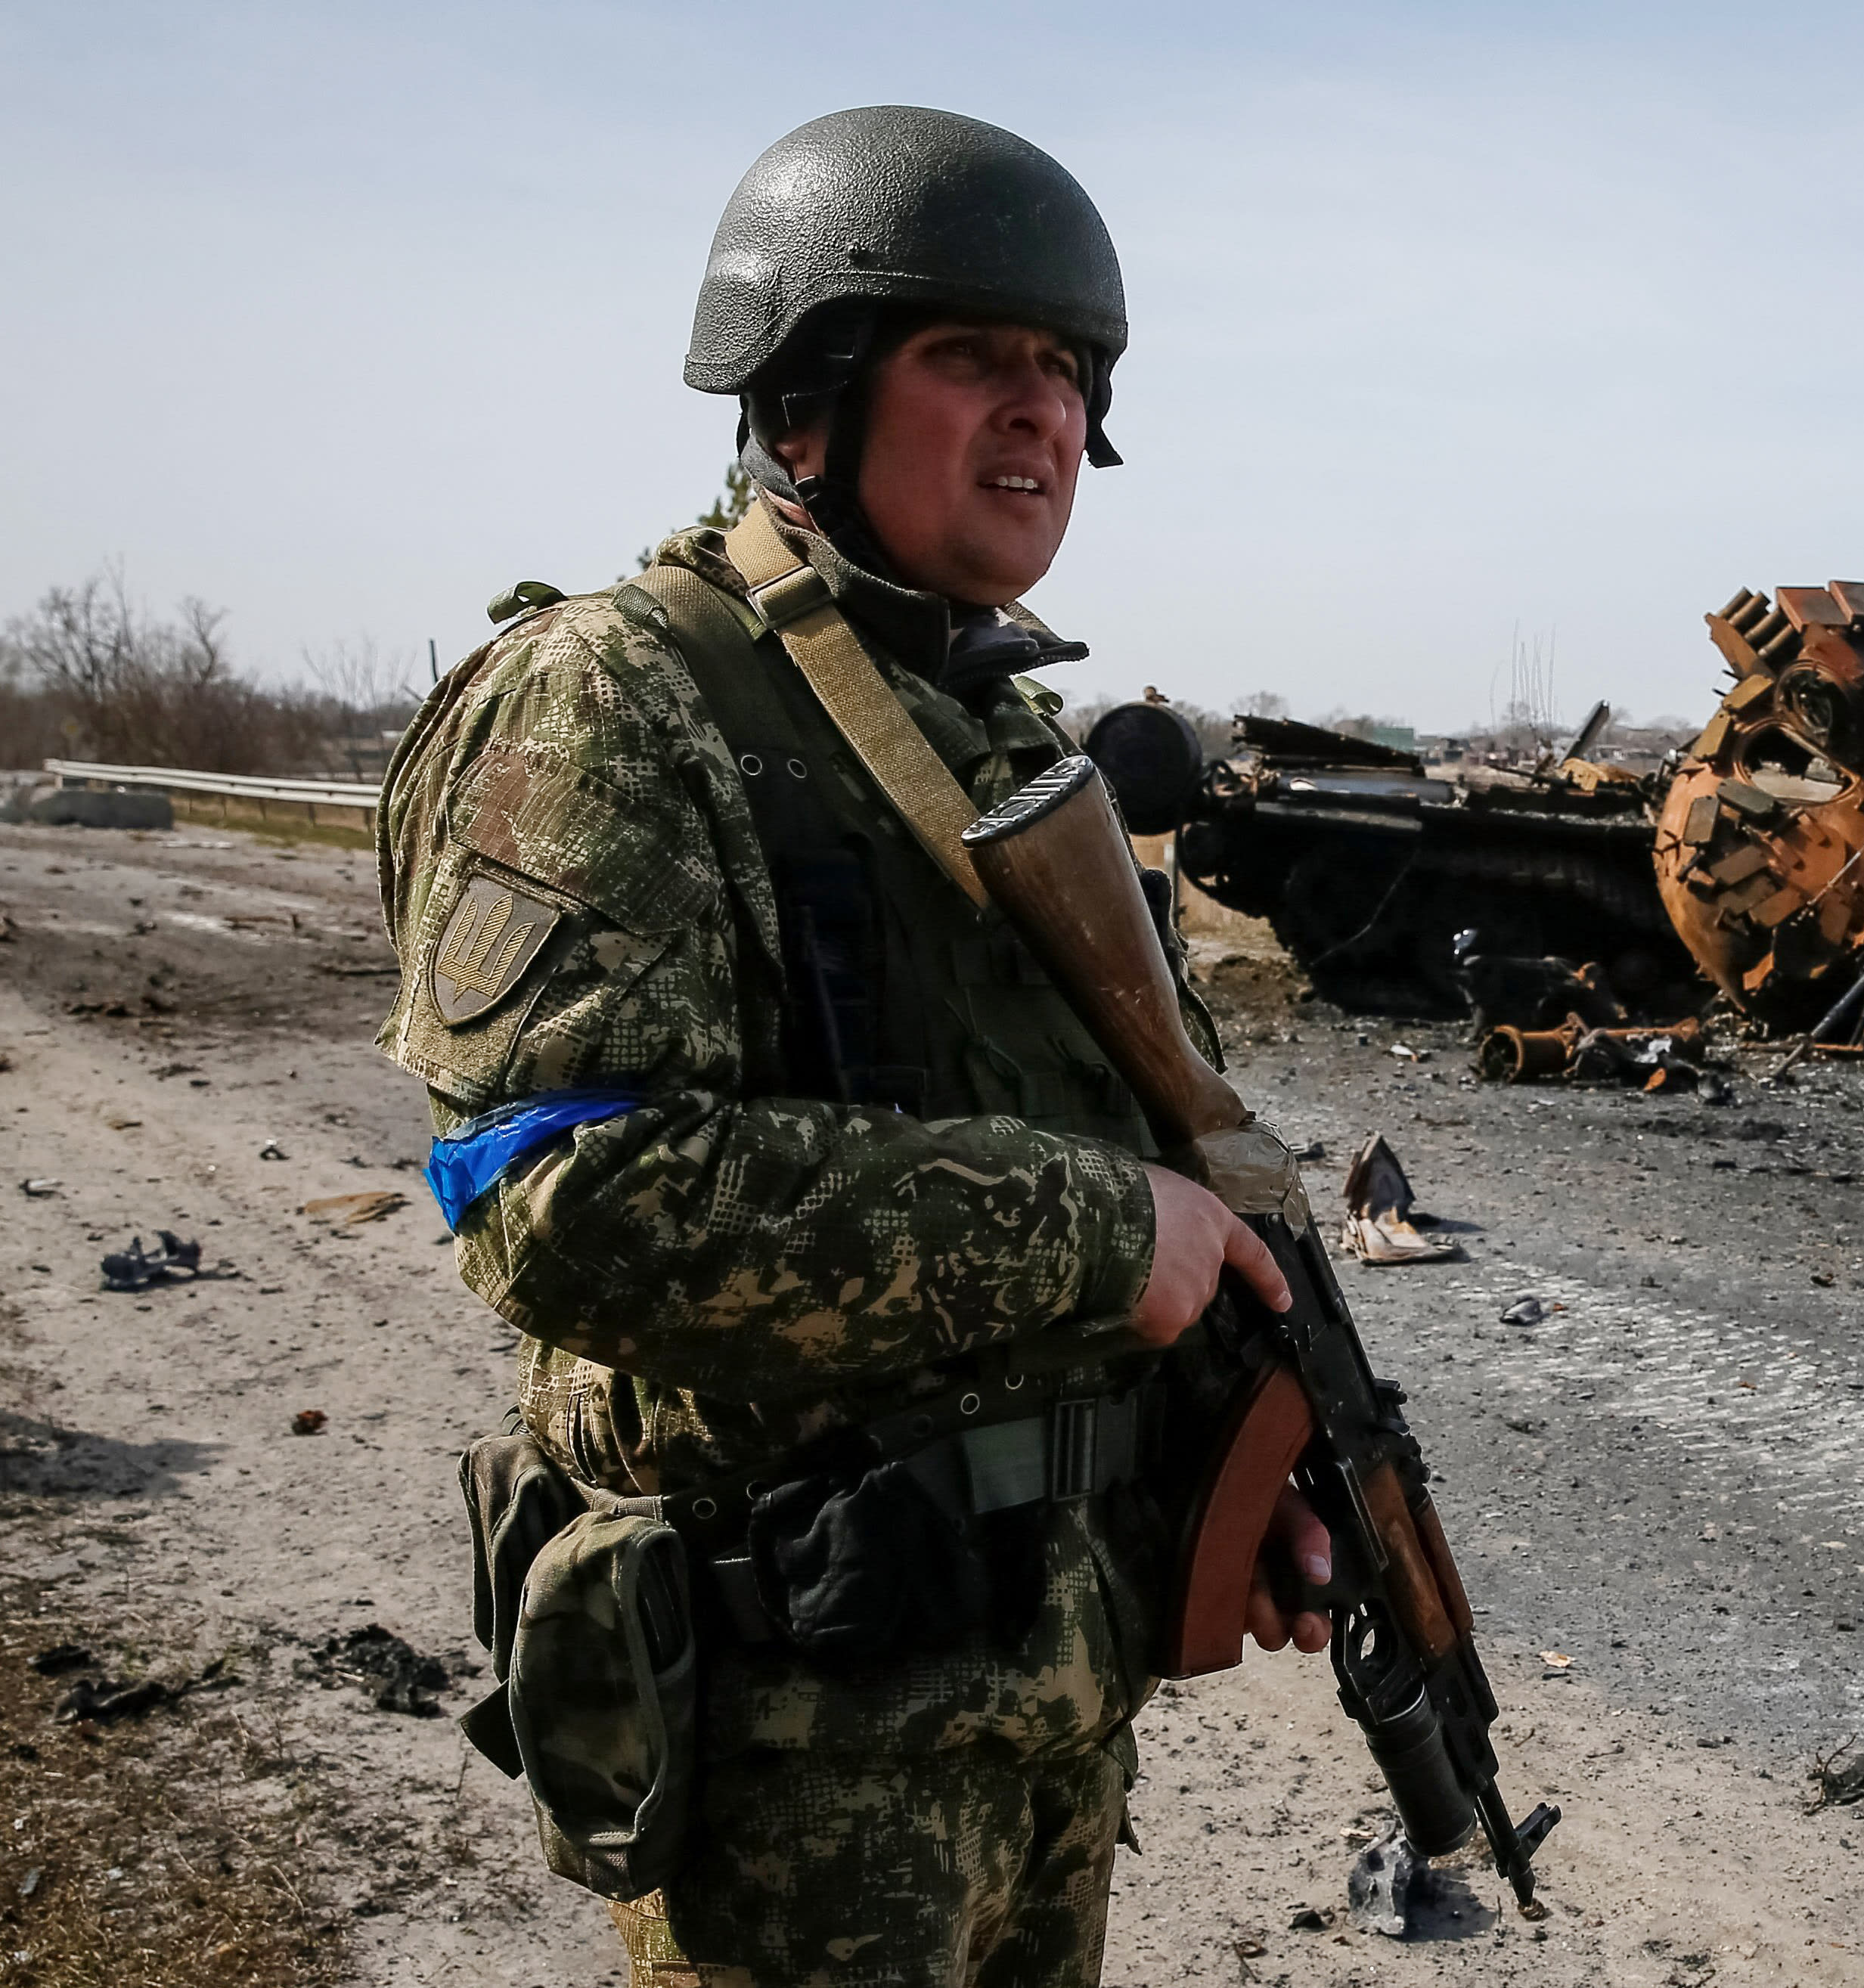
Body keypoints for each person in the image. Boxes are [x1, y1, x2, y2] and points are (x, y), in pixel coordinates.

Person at [377, 105, 1327, 1986]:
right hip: (799, 1738)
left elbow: (1141, 1162)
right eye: (969, 356)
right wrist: (1085, 1230)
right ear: (803, 400)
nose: (1039, 414)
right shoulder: (617, 697)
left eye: (1064, 373)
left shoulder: (990, 742)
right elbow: (559, 1198)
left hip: (1042, 1708)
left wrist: (1246, 1445)